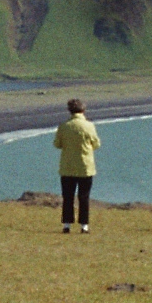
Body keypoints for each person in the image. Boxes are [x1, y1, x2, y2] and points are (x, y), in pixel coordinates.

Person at [52, 97, 101, 233]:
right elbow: (96, 144)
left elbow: (57, 144)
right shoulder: (89, 126)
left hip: (67, 167)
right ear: (83, 110)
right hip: (85, 167)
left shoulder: (63, 126)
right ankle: (84, 226)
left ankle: (67, 225)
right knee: (84, 197)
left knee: (67, 197)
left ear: (70, 111)